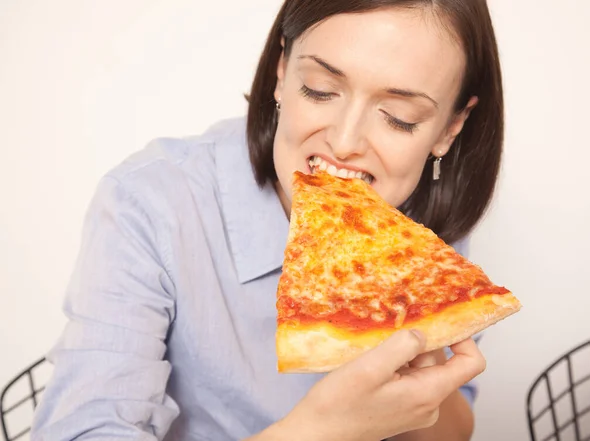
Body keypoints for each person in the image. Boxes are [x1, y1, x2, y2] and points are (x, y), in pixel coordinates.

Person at [31, 0, 505, 440]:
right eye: (320, 89)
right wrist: (320, 430)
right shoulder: (150, 203)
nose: (344, 142)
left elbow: (453, 424)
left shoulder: (416, 228)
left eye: (399, 117)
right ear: (281, 71)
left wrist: (423, 379)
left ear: (449, 127)